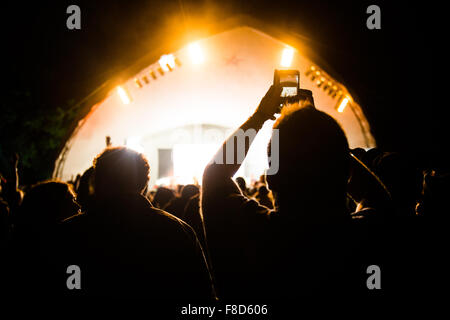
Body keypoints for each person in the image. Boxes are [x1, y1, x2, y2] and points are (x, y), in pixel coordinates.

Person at [202, 86, 361, 299]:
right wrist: (316, 129)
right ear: (347, 172)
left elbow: (214, 174)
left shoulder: (253, 234)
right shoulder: (374, 234)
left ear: (271, 178)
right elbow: (378, 198)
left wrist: (259, 117)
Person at [62, 147, 214, 299]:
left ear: (97, 180)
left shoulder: (69, 233)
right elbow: (201, 296)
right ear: (145, 182)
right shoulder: (177, 230)